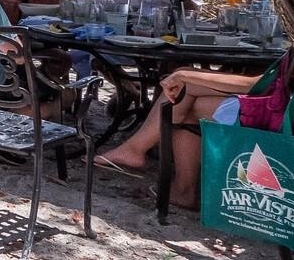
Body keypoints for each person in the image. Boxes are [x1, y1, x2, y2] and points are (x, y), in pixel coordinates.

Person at [94, 68, 262, 208]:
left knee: (183, 89)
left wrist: (185, 76)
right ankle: (182, 189)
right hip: (271, 101)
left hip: (268, 112)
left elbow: (256, 84)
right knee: (183, 85)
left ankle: (137, 151)